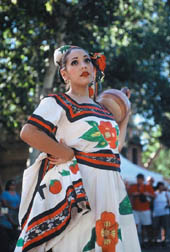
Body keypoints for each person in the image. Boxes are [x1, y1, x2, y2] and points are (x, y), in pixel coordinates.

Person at [14, 45, 141, 252]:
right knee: (77, 243)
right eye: (75, 62)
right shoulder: (58, 102)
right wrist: (65, 152)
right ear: (64, 74)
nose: (83, 65)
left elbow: (114, 149)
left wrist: (124, 119)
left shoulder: (102, 110)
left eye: (87, 61)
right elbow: (28, 132)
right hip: (79, 186)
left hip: (109, 186)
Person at [128, 173, 155, 247]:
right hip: (135, 209)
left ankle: (146, 241)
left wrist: (147, 194)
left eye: (140, 179)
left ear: (143, 180)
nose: (138, 181)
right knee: (134, 225)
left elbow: (153, 196)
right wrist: (134, 194)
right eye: (137, 179)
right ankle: (136, 241)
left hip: (145, 209)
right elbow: (129, 194)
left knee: (146, 226)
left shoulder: (148, 187)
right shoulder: (133, 186)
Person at [152, 182, 170, 246]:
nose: (161, 187)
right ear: (158, 186)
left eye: (162, 186)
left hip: (165, 212)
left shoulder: (166, 193)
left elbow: (169, 202)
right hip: (156, 212)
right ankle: (155, 239)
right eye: (160, 186)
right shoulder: (154, 193)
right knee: (156, 226)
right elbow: (151, 201)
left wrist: (168, 205)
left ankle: (164, 239)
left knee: (164, 226)